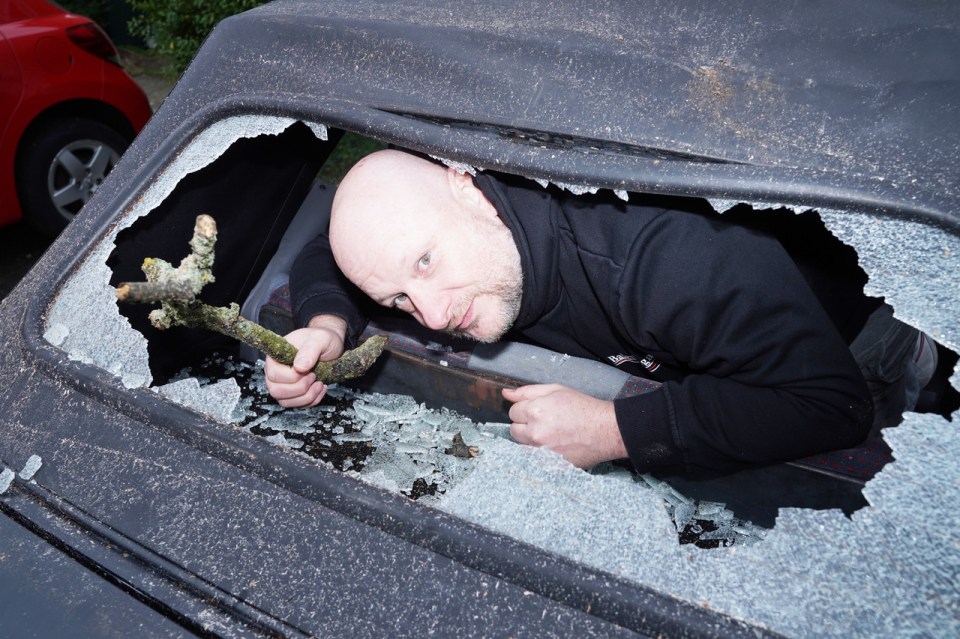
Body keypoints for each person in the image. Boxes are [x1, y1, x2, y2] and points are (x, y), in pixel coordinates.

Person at [264, 150, 935, 474]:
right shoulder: (464, 246)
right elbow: (336, 250)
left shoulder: (657, 259)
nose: (433, 316)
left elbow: (832, 403)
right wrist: (325, 323)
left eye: (425, 263)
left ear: (467, 188)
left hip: (864, 343)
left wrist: (618, 428)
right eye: (398, 300)